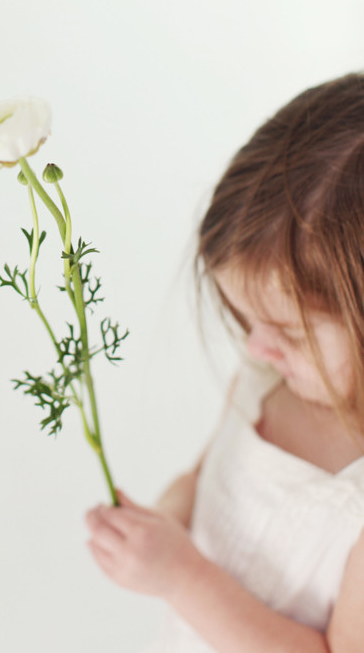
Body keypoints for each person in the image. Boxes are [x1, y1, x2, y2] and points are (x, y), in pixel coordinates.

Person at [85, 71, 364, 653]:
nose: (256, 346)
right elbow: (204, 480)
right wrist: (160, 526)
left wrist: (181, 575)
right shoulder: (267, 379)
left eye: (289, 332)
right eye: (247, 319)